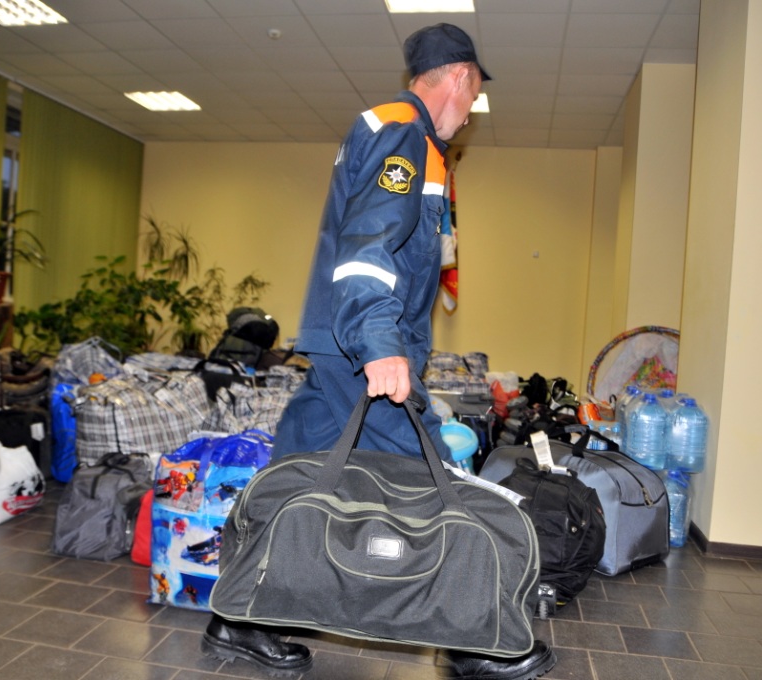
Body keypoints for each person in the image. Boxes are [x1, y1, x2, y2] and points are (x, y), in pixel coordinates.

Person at [200, 23, 557, 680]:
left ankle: (239, 617)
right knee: (427, 479)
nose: (472, 108)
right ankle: (471, 640)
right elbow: (369, 247)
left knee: (296, 467)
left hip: (336, 345)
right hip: (361, 346)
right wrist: (381, 345)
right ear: (460, 77)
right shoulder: (403, 135)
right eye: (474, 91)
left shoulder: (403, 135)